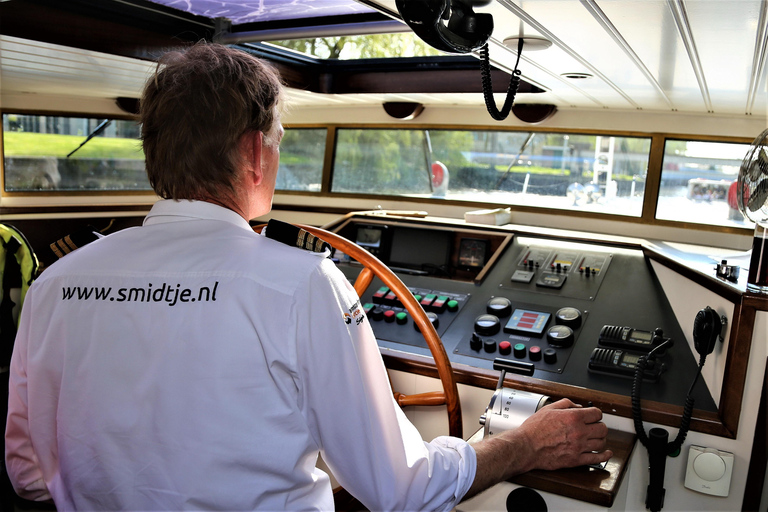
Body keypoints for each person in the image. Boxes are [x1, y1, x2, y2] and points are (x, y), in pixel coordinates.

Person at [5, 43, 611, 511]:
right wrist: (525, 444)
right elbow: (398, 489)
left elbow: (29, 476)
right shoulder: (303, 286)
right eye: (276, 142)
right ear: (252, 154)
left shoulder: (56, 284)